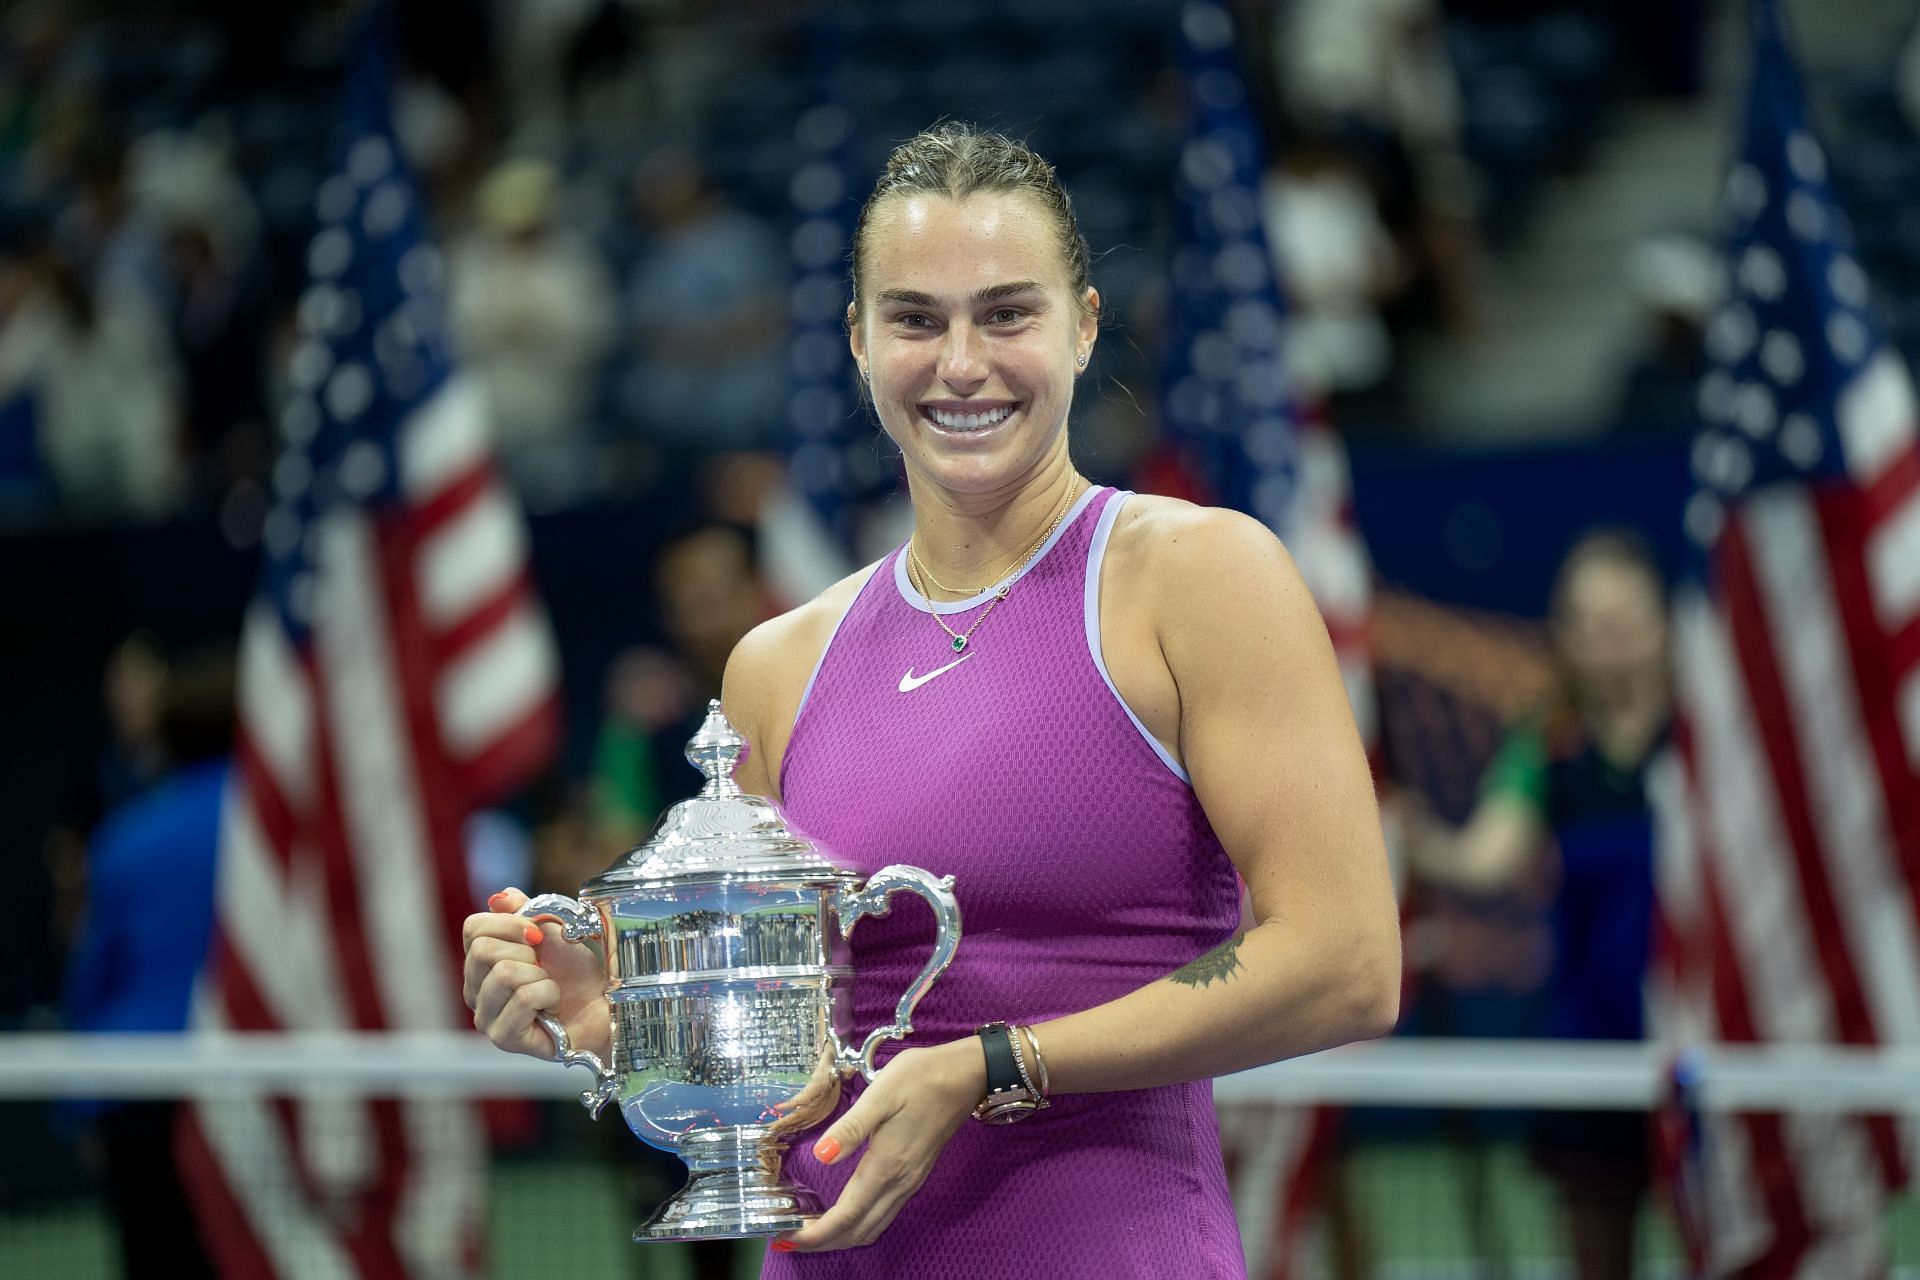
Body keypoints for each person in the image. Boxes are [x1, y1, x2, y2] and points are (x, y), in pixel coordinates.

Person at [463, 122, 1400, 1276]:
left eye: (1008, 312)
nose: (962, 363)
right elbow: (786, 1056)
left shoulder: (1200, 575)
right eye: (916, 318)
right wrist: (618, 1025)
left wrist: (995, 1061)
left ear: (1085, 324)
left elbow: (1345, 959)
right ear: (859, 342)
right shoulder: (778, 659)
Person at [1399, 529, 1671, 1280]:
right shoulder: (1547, 745)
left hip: (1698, 1032)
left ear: (1661, 626)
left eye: (1622, 620)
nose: (1607, 641)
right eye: (1588, 624)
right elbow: (1486, 858)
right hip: (1592, 1040)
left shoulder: (1709, 734)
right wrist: (1411, 839)